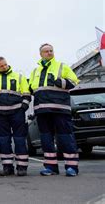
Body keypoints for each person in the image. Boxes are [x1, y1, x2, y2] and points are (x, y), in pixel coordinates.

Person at [29, 43, 79, 177]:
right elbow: (32, 89)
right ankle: (50, 167)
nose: (49, 53)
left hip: (60, 109)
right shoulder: (35, 71)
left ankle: (72, 167)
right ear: (41, 54)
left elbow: (74, 82)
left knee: (65, 137)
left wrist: (59, 81)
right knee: (46, 139)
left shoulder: (62, 66)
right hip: (42, 111)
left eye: (51, 51)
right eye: (46, 51)